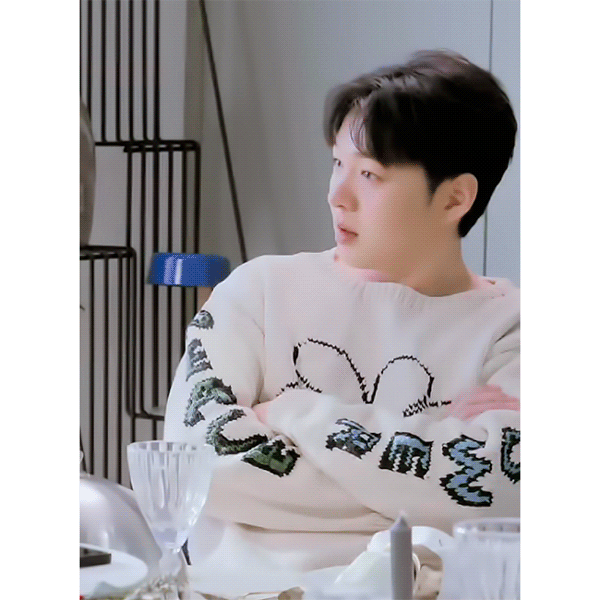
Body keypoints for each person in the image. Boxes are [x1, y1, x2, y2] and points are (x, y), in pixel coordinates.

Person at [164, 49, 520, 594]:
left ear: (455, 198)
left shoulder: (513, 328)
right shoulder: (258, 292)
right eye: (337, 164)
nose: (337, 195)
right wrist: (422, 489)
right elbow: (194, 466)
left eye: (369, 174)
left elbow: (505, 490)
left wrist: (296, 414)